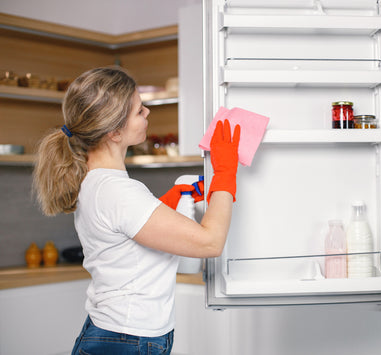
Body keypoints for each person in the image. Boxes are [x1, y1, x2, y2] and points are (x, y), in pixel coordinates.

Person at [32, 67, 241, 354]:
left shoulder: (100, 183)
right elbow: (210, 241)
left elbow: (128, 235)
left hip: (118, 333)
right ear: (115, 131)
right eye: (139, 111)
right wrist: (226, 173)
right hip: (128, 338)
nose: (147, 114)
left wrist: (164, 204)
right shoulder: (118, 192)